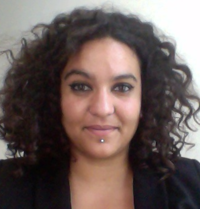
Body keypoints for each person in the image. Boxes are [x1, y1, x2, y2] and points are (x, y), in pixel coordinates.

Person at [0, 7, 200, 209]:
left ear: (145, 99)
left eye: (122, 87)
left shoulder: (192, 184)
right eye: (81, 86)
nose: (102, 108)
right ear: (53, 96)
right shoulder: (7, 187)